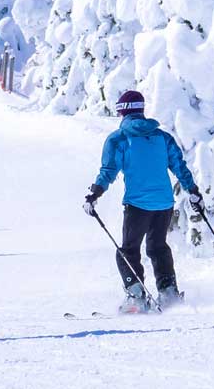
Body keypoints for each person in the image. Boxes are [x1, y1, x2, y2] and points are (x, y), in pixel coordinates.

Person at [82, 90, 200, 312]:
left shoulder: (119, 139)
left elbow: (108, 171)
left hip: (137, 205)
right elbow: (179, 166)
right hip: (164, 203)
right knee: (158, 247)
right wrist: (193, 191)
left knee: (127, 251)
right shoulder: (162, 137)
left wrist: (94, 195)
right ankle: (168, 293)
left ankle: (136, 296)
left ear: (122, 112)